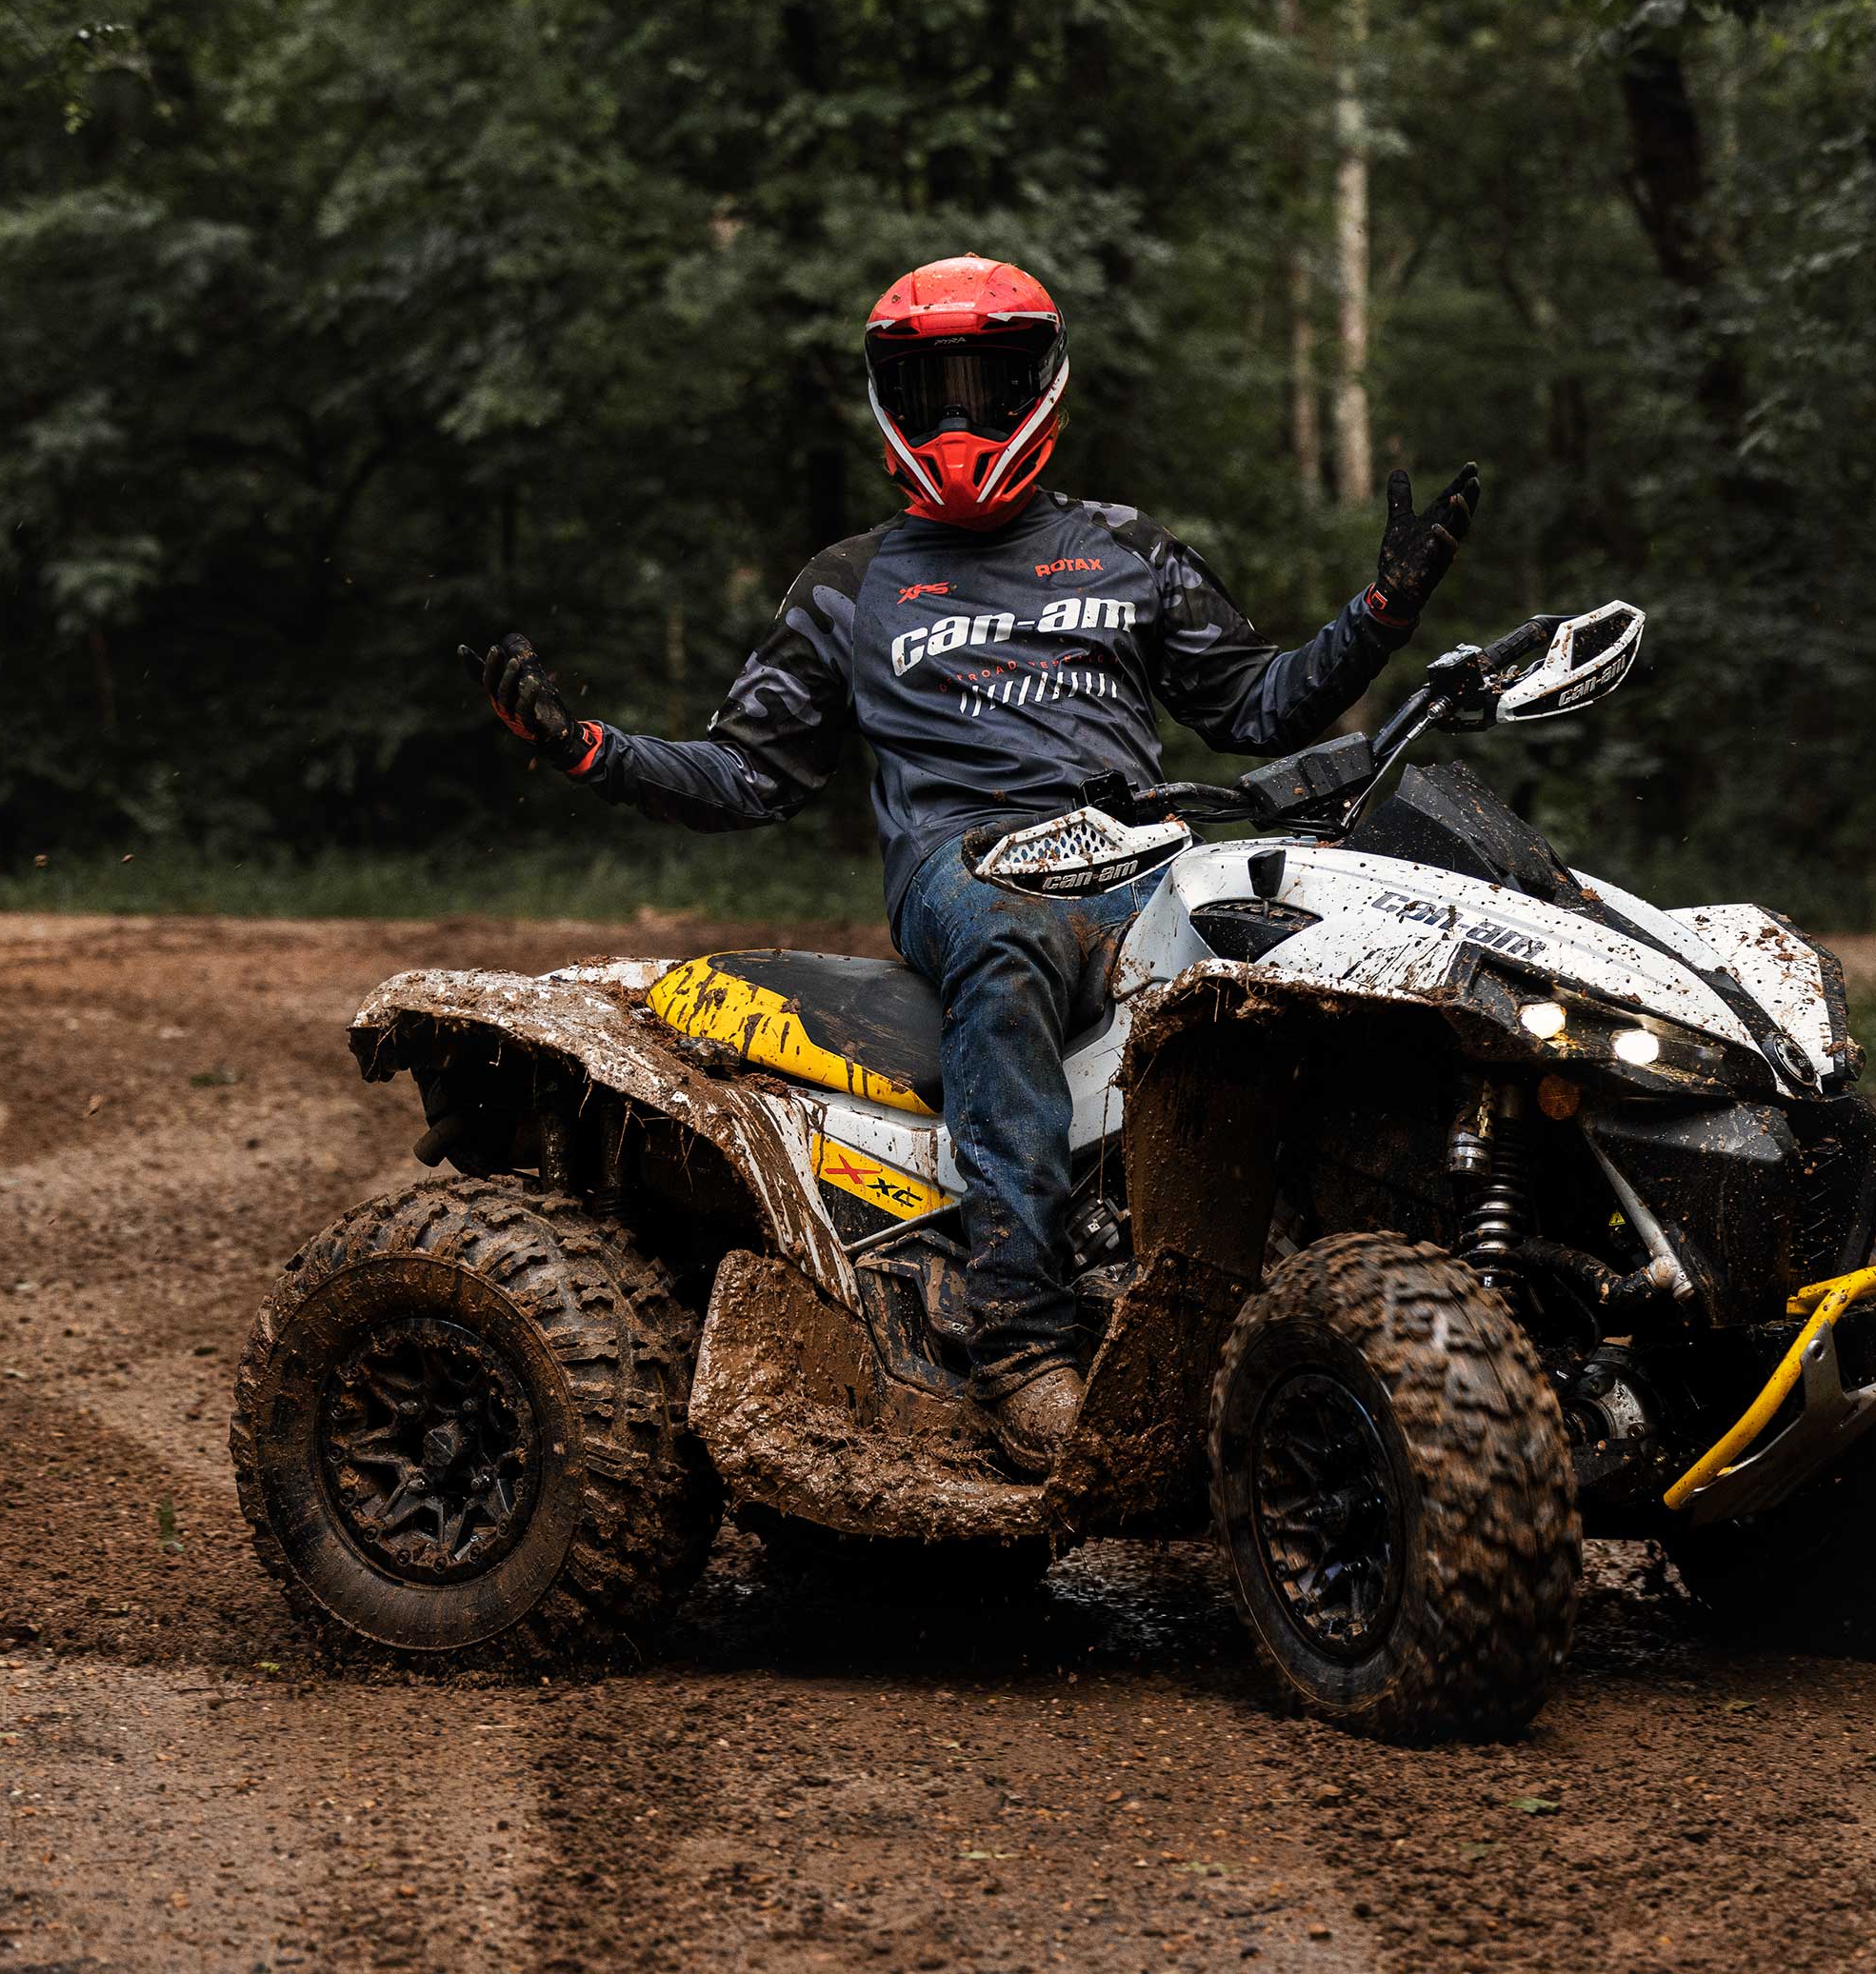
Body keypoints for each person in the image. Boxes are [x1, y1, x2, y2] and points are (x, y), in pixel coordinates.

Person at [461, 253, 1477, 1474]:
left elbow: (1255, 710)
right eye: (926, 389)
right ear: (885, 399)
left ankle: (1389, 1287)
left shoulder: (1128, 550)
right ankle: (1014, 1340)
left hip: (1144, 844)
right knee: (1007, 942)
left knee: (1323, 937)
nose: (955, 420)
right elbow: (748, 775)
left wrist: (1378, 613)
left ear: (1039, 385)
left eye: (983, 385)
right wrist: (587, 750)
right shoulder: (848, 587)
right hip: (971, 864)